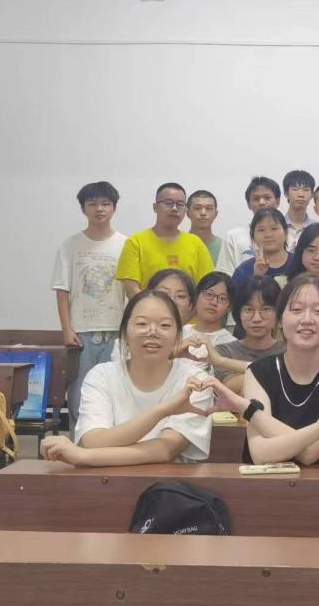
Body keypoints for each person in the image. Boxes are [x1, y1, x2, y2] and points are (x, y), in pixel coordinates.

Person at [40, 290, 213, 467]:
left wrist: (84, 457)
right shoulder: (102, 376)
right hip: (106, 480)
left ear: (178, 337)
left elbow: (166, 449)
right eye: (142, 324)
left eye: (165, 325)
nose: (153, 332)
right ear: (124, 334)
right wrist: (163, 411)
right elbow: (93, 441)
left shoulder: (195, 380)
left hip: (171, 482)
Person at [241, 273, 319, 465]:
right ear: (280, 320)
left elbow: (310, 454)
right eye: (296, 310)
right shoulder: (257, 373)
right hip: (264, 483)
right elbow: (260, 453)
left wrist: (253, 414)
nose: (307, 319)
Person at [51, 181, 127, 435]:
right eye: (92, 203)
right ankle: (78, 443)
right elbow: (62, 290)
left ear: (114, 208)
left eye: (106, 203)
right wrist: (67, 329)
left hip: (117, 331)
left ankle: (110, 446)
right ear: (83, 208)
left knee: (115, 392)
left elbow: (131, 289)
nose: (99, 209)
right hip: (81, 333)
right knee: (79, 394)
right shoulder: (71, 244)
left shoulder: (126, 244)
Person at [115, 183, 214, 297]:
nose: (174, 208)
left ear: (185, 210)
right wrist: (156, 306)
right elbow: (132, 290)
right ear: (155, 207)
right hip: (149, 307)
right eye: (168, 203)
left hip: (188, 309)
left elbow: (207, 287)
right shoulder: (136, 242)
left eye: (180, 204)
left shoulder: (196, 243)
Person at [206, 275, 285, 392]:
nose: (257, 318)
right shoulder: (224, 352)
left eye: (266, 309)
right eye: (249, 310)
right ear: (238, 313)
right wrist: (280, 374)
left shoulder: (289, 351)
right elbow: (231, 387)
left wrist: (224, 363)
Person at [216, 177, 281, 275]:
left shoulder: (287, 234)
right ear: (249, 204)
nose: (261, 202)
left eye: (267, 198)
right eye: (256, 199)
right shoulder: (233, 236)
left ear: (278, 201)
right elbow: (224, 274)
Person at [230, 208, 291, 293]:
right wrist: (256, 277)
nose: (268, 235)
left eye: (274, 228)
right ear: (253, 236)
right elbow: (236, 300)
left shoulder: (299, 263)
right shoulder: (243, 271)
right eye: (261, 230)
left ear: (286, 232)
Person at [189, 272, 235, 345]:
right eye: (209, 294)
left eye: (222, 298)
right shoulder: (179, 332)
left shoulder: (231, 344)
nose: (214, 302)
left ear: (229, 307)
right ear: (196, 296)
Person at [283, 169, 318, 251]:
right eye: (295, 189)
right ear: (286, 193)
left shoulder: (317, 228)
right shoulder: (278, 226)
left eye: (306, 190)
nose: (301, 194)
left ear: (312, 195)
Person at [186, 190, 222, 265]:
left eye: (208, 208)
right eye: (197, 208)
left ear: (216, 214)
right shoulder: (179, 244)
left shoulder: (224, 247)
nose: (203, 213)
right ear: (187, 213)